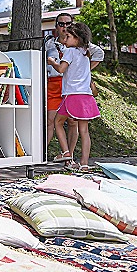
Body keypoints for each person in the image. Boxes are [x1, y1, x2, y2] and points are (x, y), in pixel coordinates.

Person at [46, 14, 103, 168]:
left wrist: (52, 62)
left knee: (57, 122)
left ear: (77, 38)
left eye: (69, 36)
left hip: (71, 95)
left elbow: (61, 69)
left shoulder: (70, 51)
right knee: (83, 130)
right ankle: (84, 163)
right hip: (86, 96)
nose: (66, 37)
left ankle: (66, 152)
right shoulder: (85, 52)